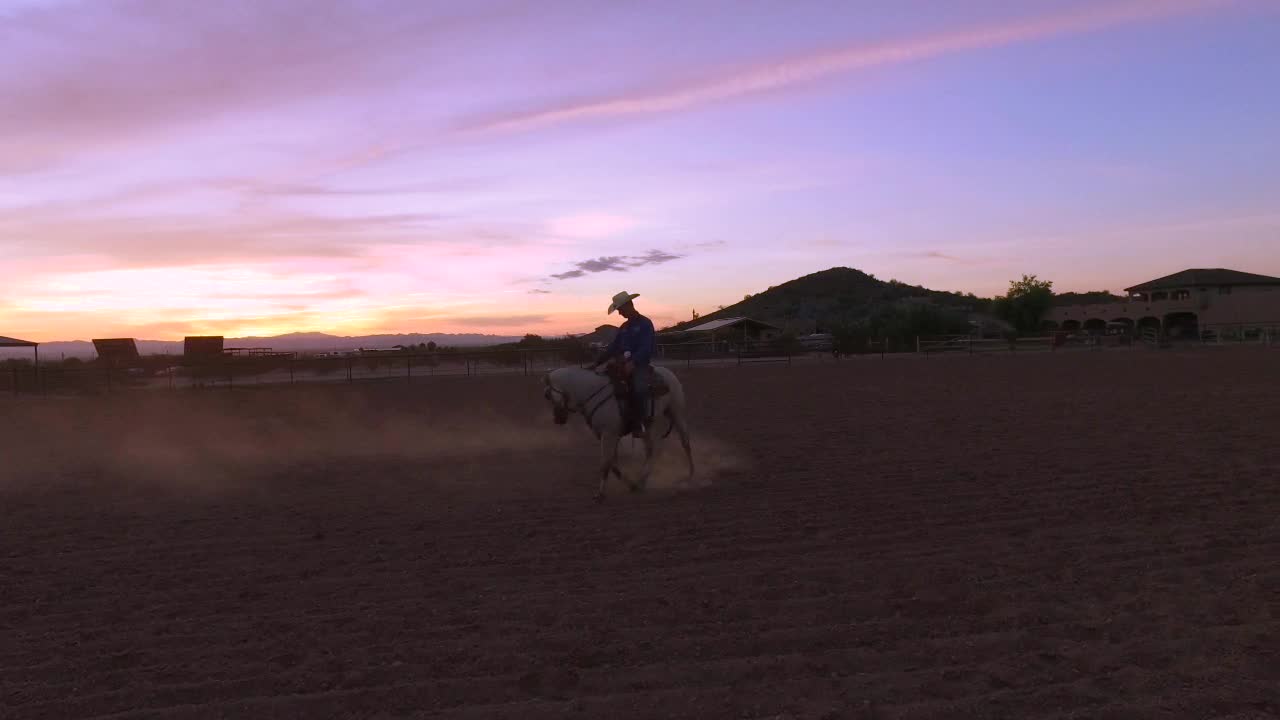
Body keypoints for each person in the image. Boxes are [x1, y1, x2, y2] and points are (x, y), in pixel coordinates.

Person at [592, 290, 656, 437]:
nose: (620, 313)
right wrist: (598, 362)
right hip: (622, 364)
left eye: (620, 309)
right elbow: (614, 347)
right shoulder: (624, 327)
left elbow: (646, 348)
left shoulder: (645, 324)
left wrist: (633, 362)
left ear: (629, 305)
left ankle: (640, 423)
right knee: (604, 383)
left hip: (640, 365)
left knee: (639, 388)